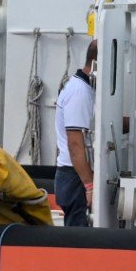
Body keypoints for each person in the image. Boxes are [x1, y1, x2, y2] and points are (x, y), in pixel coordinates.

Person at [53, 40, 97, 227]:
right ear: (96, 63)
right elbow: (75, 144)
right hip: (74, 177)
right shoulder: (79, 92)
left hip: (74, 175)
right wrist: (89, 185)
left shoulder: (84, 89)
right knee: (79, 236)